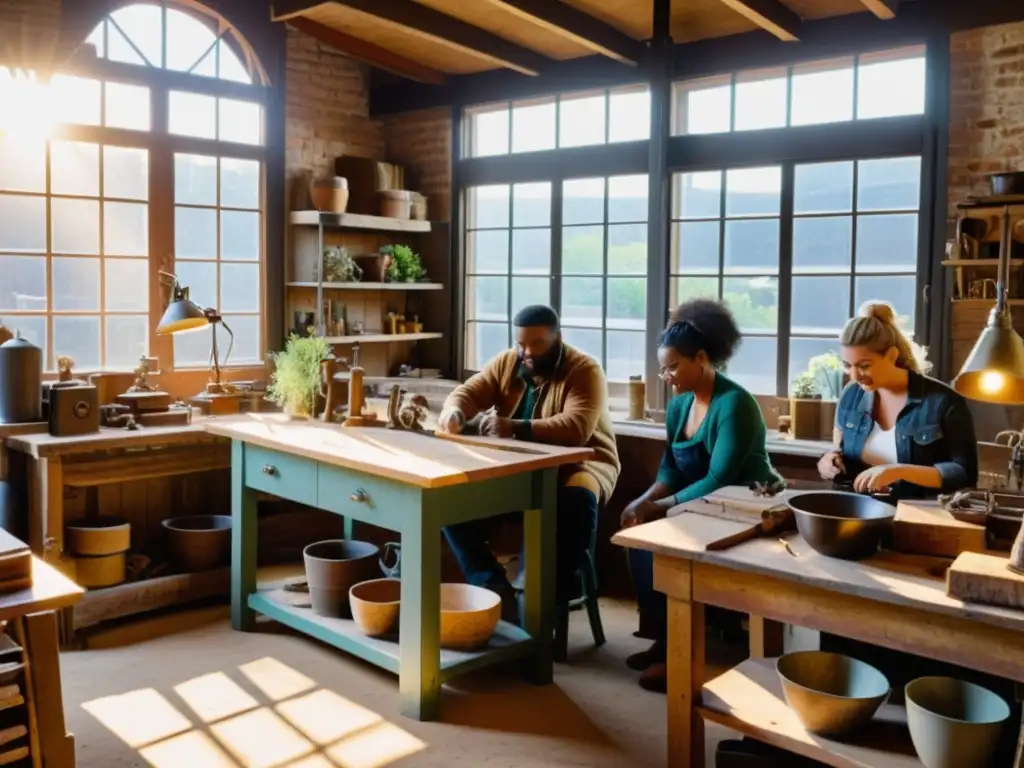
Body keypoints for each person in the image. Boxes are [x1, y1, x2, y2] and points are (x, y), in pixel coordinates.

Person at [620, 299, 782, 693]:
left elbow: (719, 478)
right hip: (696, 505)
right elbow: (671, 469)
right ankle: (664, 637)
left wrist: (663, 508)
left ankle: (680, 652)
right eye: (663, 368)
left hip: (746, 504)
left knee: (667, 538)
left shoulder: (736, 404)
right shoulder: (679, 406)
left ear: (703, 358)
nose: (667, 377)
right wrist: (643, 502)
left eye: (673, 367)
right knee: (639, 541)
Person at [437, 304, 621, 625]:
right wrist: (454, 414)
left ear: (557, 339)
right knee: (447, 498)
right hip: (517, 470)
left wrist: (514, 427)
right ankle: (491, 586)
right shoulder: (509, 361)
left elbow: (576, 427)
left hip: (579, 467)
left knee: (573, 502)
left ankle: (545, 601)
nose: (527, 353)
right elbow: (467, 392)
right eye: (521, 344)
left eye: (536, 344)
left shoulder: (584, 369)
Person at [816, 301, 978, 499]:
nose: (855, 376)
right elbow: (839, 449)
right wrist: (828, 461)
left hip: (918, 516)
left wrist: (898, 471)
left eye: (864, 366)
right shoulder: (851, 394)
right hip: (856, 511)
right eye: (847, 366)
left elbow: (964, 474)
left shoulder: (944, 402)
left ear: (892, 355)